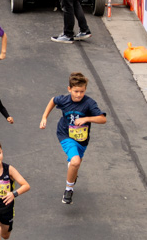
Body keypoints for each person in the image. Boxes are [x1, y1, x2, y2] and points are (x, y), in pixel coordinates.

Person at [39, 70, 106, 205]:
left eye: (82, 91)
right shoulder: (64, 100)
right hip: (65, 134)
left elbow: (102, 119)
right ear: (69, 89)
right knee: (75, 161)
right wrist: (44, 117)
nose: (79, 95)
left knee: (75, 163)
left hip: (82, 139)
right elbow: (53, 100)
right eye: (76, 91)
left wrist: (86, 118)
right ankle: (69, 190)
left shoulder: (89, 103)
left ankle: (72, 171)